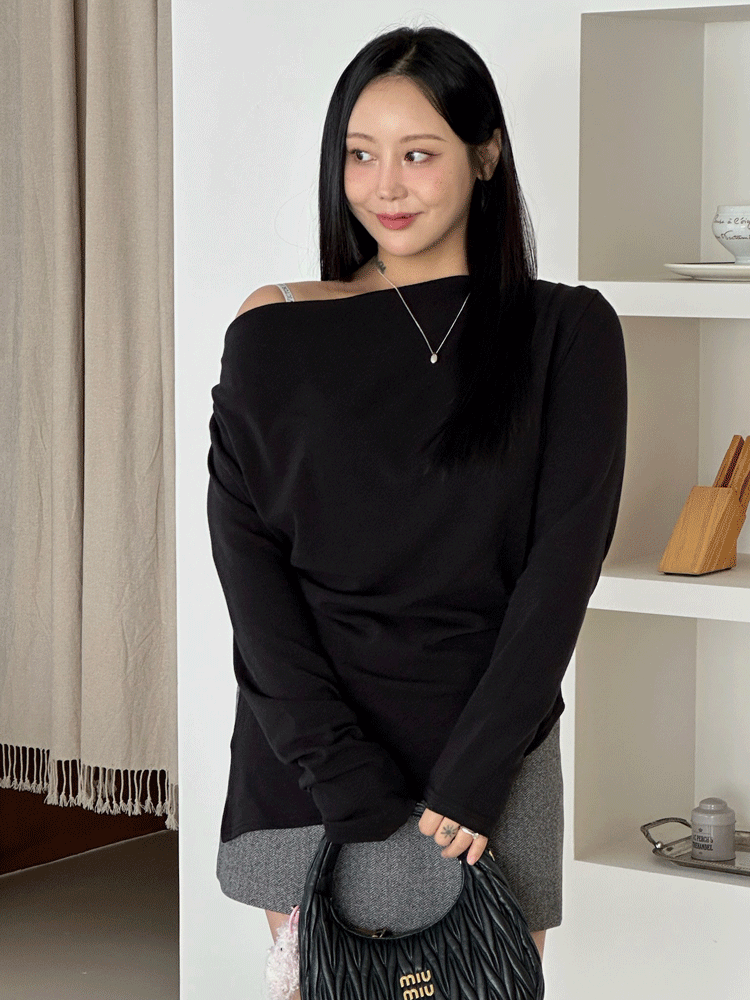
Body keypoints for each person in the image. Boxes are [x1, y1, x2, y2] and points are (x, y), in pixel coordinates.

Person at [207, 23, 627, 999]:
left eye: (418, 153)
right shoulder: (274, 326)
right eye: (360, 155)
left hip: (488, 770)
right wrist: (338, 770)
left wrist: (473, 778)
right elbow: (249, 569)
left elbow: (562, 568)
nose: (384, 186)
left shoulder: (568, 332)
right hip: (309, 761)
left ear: (485, 156)